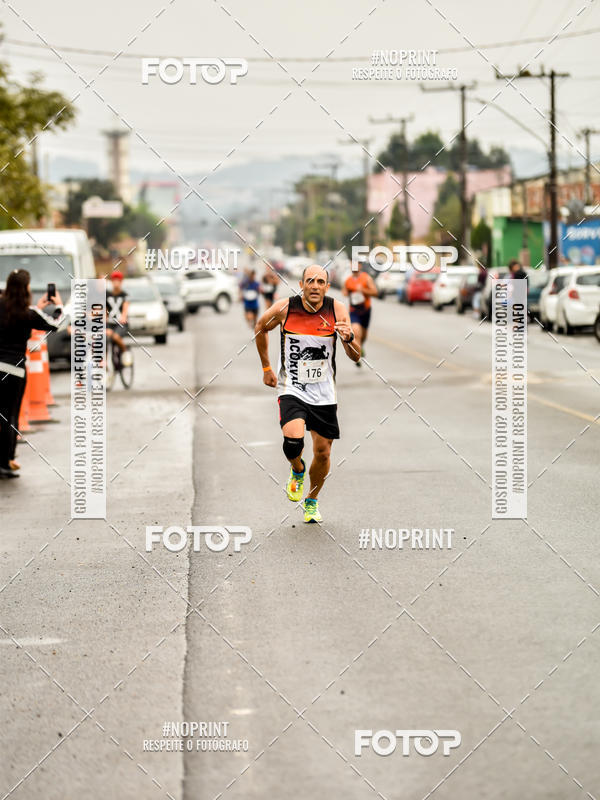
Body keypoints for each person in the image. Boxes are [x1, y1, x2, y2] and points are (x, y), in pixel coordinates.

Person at [254, 264, 360, 523]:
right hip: (293, 387)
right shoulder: (284, 308)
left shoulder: (337, 310)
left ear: (327, 286)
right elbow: (260, 327)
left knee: (323, 452)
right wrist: (267, 367)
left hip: (324, 392)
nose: (315, 286)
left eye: (320, 281)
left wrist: (348, 339)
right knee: (293, 441)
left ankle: (311, 500)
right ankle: (297, 469)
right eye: (310, 281)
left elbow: (356, 355)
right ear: (300, 284)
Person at [0, 269, 64, 479]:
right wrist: (59, 306)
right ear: (25, 289)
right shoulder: (28, 313)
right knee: (10, 416)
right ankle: (6, 461)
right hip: (15, 370)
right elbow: (57, 324)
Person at [342, 257, 378, 367]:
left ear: (360, 266)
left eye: (356, 265)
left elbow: (375, 292)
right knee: (356, 332)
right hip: (354, 310)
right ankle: (357, 356)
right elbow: (344, 292)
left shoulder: (366, 278)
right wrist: (349, 292)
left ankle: (360, 347)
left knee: (364, 335)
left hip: (366, 310)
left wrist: (363, 290)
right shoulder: (348, 280)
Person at [106, 271, 132, 367]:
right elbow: (104, 309)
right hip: (109, 323)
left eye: (118, 281)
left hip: (121, 323)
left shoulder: (125, 295)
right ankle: (103, 362)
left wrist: (123, 316)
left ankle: (125, 352)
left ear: (121, 282)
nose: (116, 283)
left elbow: (125, 308)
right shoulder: (107, 294)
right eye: (114, 281)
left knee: (116, 337)